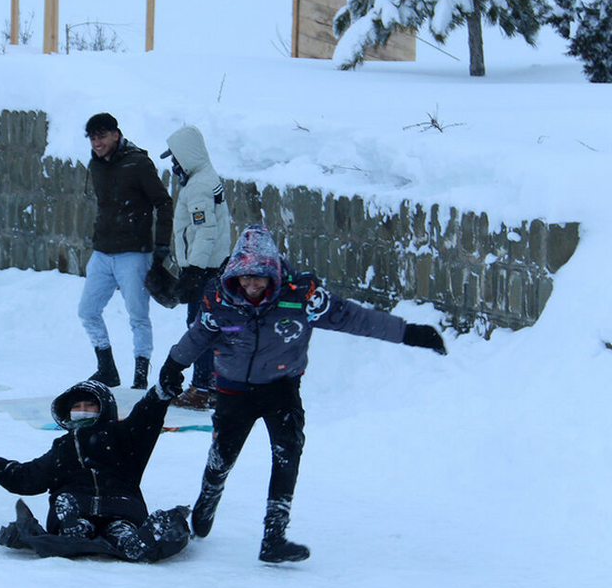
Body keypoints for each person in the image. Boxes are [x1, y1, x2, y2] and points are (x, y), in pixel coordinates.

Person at [157, 225, 448, 563]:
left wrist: (409, 333)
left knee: (288, 451)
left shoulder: (302, 296)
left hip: (282, 387)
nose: (251, 285)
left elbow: (352, 318)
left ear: (273, 273)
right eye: (245, 277)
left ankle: (274, 536)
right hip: (233, 390)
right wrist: (172, 365)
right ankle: (208, 498)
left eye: (259, 278)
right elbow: (197, 336)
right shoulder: (221, 299)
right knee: (223, 455)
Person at [0, 381, 190, 563]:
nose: (83, 410)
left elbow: (146, 414)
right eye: (77, 407)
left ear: (104, 408)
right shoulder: (63, 448)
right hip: (77, 503)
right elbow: (27, 477)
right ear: (68, 414)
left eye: (90, 405)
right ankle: (74, 527)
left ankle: (131, 540)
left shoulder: (125, 437)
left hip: (121, 506)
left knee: (121, 527)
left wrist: (160, 392)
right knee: (72, 508)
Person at [79, 112, 173, 390]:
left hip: (134, 253)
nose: (97, 143)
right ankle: (106, 368)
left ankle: (140, 375)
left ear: (116, 135)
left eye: (102, 136)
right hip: (102, 251)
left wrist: (162, 247)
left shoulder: (138, 163)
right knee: (87, 311)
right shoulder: (96, 165)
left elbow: (164, 203)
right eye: (93, 138)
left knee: (138, 316)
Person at [160, 124, 231, 410]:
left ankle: (203, 388)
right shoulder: (203, 178)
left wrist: (194, 270)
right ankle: (211, 385)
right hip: (210, 267)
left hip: (205, 270)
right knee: (205, 325)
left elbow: (205, 230)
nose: (174, 165)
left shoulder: (200, 185)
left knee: (200, 328)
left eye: (175, 159)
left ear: (187, 156)